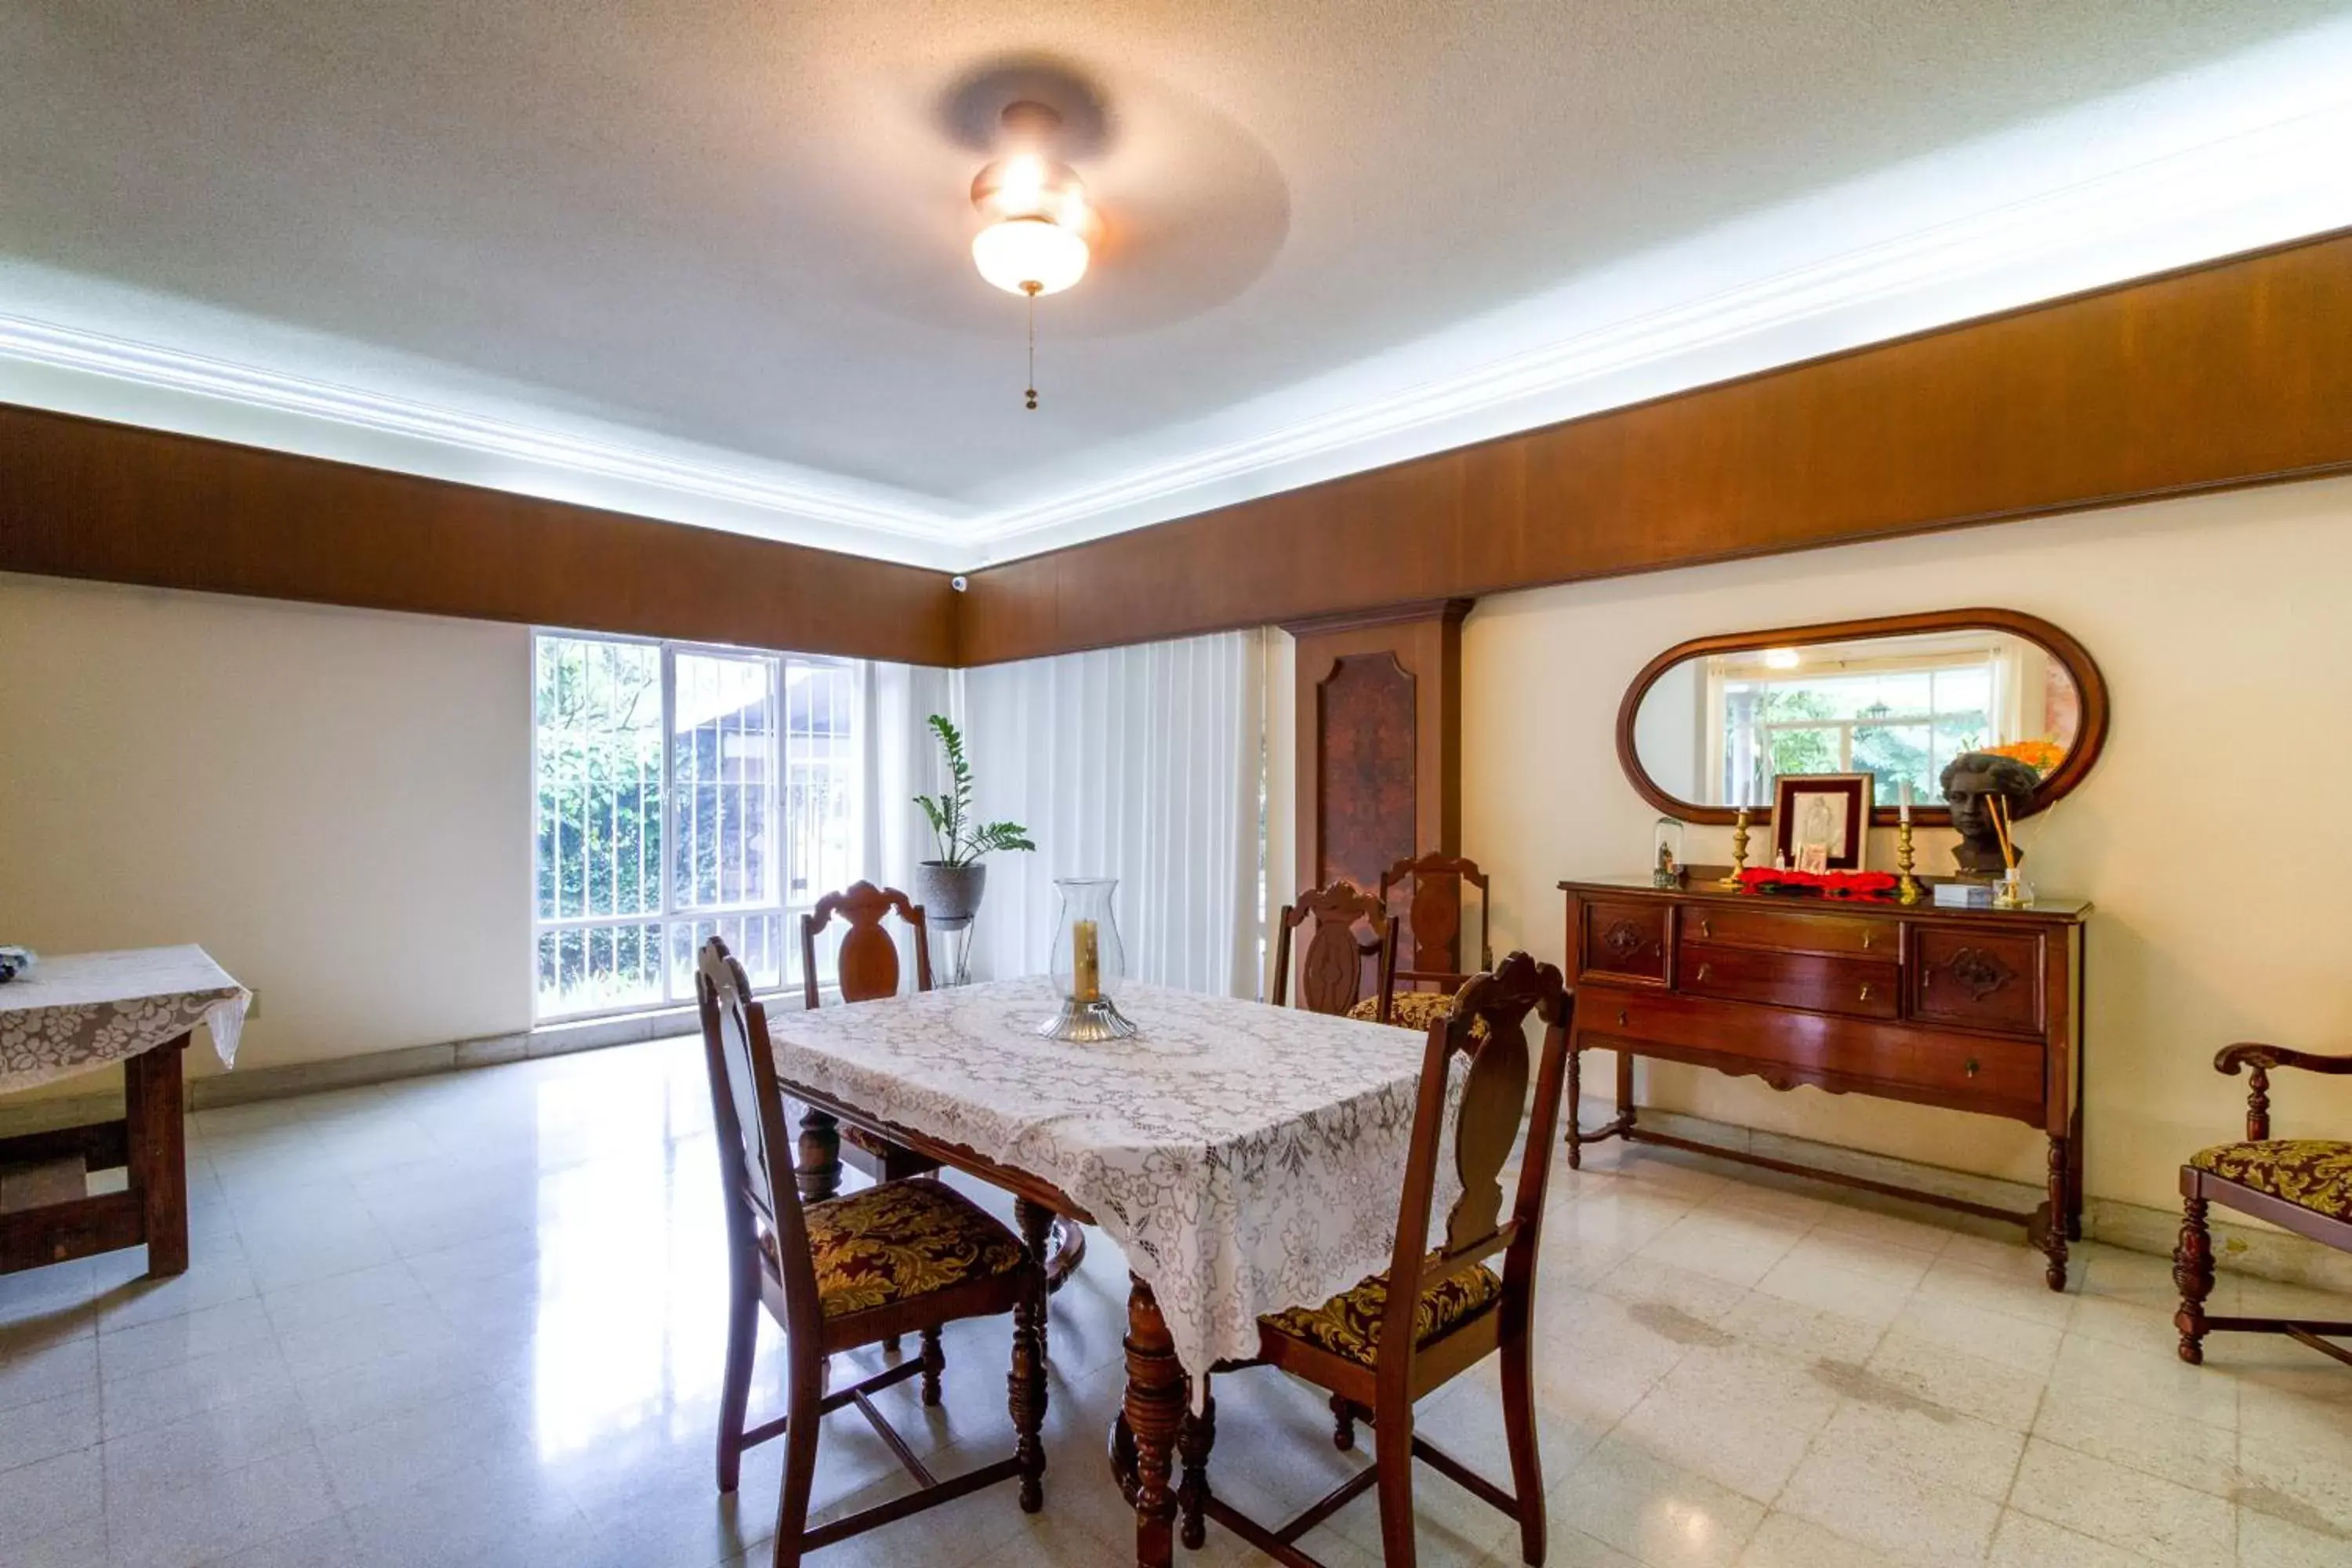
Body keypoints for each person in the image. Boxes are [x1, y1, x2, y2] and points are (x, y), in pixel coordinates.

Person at [1940, 751, 2038, 875]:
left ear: (2014, 804)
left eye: (1987, 799)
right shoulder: (1935, 859)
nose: (1970, 810)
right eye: (1958, 798)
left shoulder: (2028, 860)